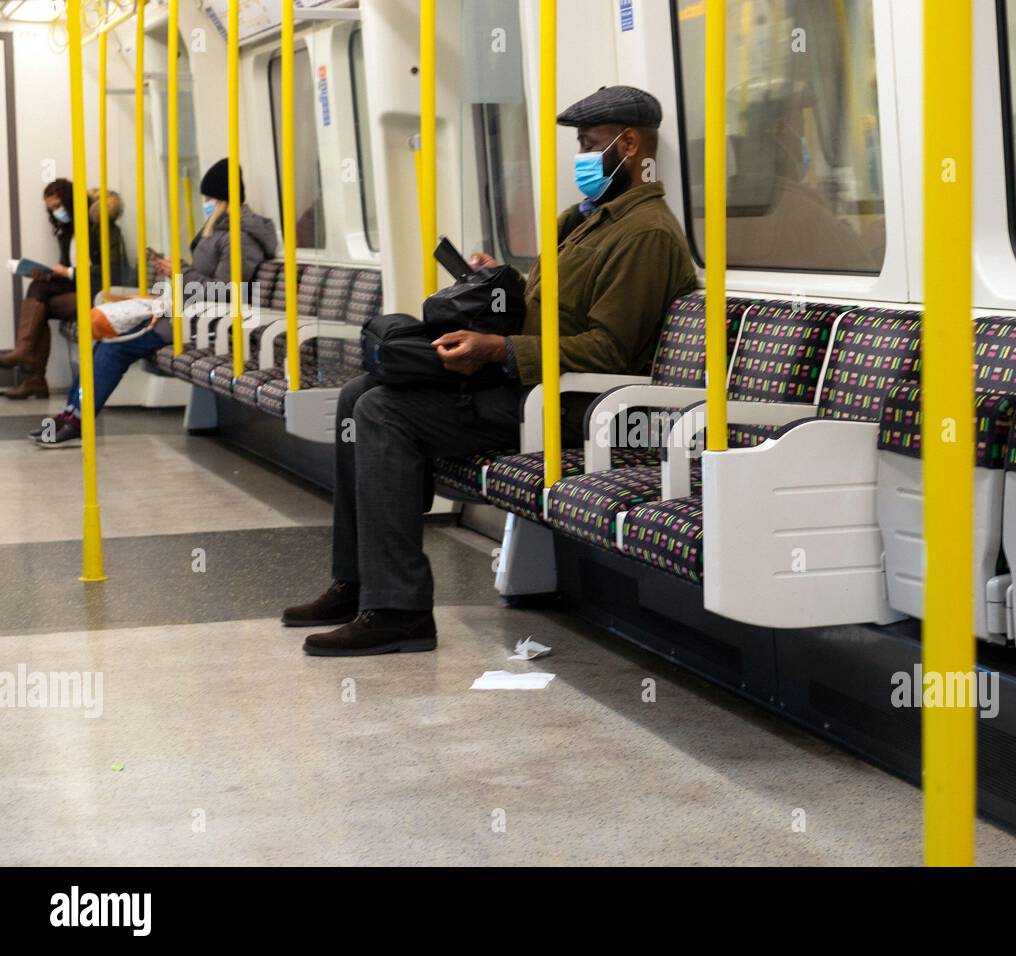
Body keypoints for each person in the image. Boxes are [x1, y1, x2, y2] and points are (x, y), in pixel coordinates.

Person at [282, 85, 697, 657]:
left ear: (628, 145)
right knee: (360, 392)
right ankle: (357, 582)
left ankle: (399, 611)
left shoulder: (644, 234)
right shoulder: (587, 221)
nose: (581, 156)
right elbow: (553, 308)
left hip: (570, 407)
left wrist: (499, 350)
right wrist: (500, 281)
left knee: (383, 413)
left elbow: (609, 352)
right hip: (528, 387)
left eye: (590, 144)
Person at [32, 158, 277, 447]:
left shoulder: (239, 238)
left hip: (209, 324)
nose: (205, 203)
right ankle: (71, 413)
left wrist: (181, 272)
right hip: (189, 315)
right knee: (104, 340)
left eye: (209, 198)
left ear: (223, 199)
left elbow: (225, 291)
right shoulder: (220, 232)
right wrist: (178, 270)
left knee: (115, 348)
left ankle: (77, 421)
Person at [1, 181, 127, 399]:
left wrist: (68, 272)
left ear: (70, 202)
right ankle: (29, 365)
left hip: (101, 294)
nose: (55, 212)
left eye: (58, 205)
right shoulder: (67, 233)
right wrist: (48, 274)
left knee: (41, 304)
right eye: (51, 209)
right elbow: (69, 273)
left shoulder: (103, 227)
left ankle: (32, 371)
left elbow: (112, 271)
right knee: (39, 289)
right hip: (80, 290)